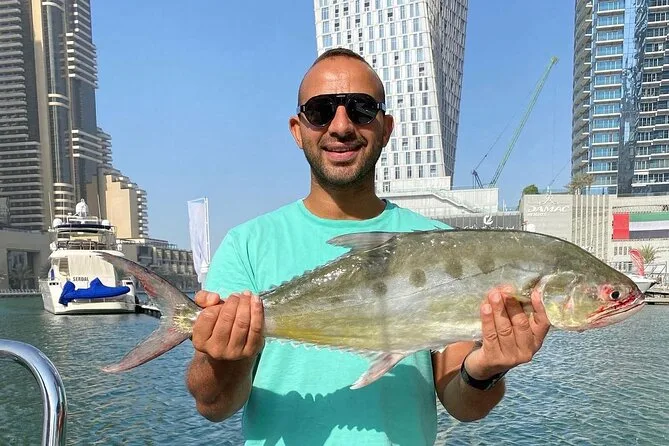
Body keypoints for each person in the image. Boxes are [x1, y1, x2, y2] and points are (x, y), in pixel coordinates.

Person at [186, 48, 551, 445]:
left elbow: (463, 404)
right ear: (297, 129)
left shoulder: (439, 243)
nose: (341, 126)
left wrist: (488, 369)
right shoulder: (247, 244)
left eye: (361, 109)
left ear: (386, 127)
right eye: (320, 111)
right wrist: (223, 356)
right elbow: (213, 404)